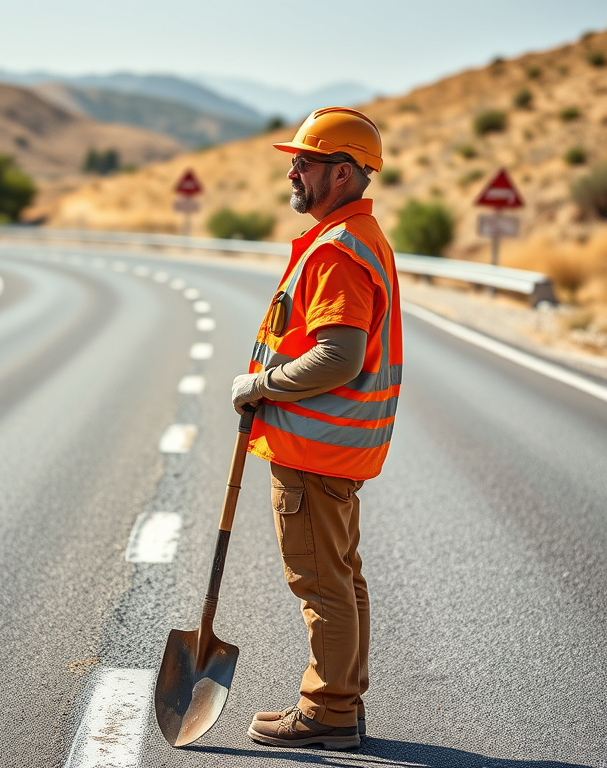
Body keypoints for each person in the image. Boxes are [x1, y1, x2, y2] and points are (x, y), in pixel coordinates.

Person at [231, 106, 402, 750]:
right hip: (330, 450)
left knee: (321, 582)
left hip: (314, 450)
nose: (293, 172)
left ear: (341, 172)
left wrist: (261, 385)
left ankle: (328, 710)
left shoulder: (337, 250)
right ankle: (343, 702)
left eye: (303, 162)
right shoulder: (353, 235)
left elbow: (340, 355)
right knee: (342, 577)